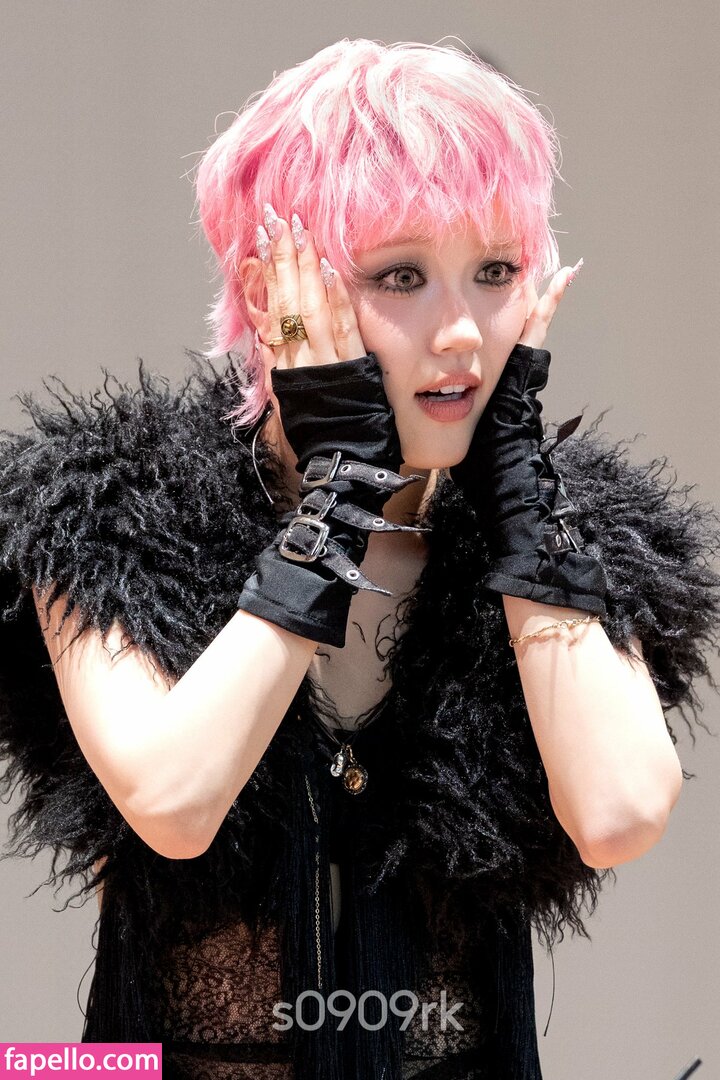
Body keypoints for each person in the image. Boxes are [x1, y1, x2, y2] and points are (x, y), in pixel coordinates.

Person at [0, 37, 717, 1080]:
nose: (462, 332)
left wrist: (522, 498)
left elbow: (618, 815)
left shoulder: (567, 529)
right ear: (274, 293)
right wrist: (337, 504)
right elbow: (174, 801)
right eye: (401, 277)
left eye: (496, 272)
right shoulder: (108, 506)